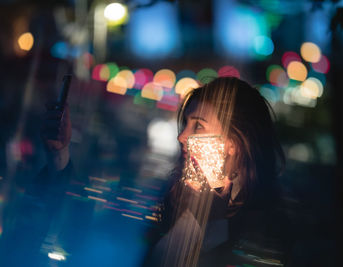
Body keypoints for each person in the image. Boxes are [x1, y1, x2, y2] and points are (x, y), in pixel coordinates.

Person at [39, 76, 287, 266]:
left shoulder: (265, 227)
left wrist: (212, 223)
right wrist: (59, 155)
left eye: (198, 126)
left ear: (234, 143)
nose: (182, 136)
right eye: (185, 124)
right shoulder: (168, 199)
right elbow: (94, 239)